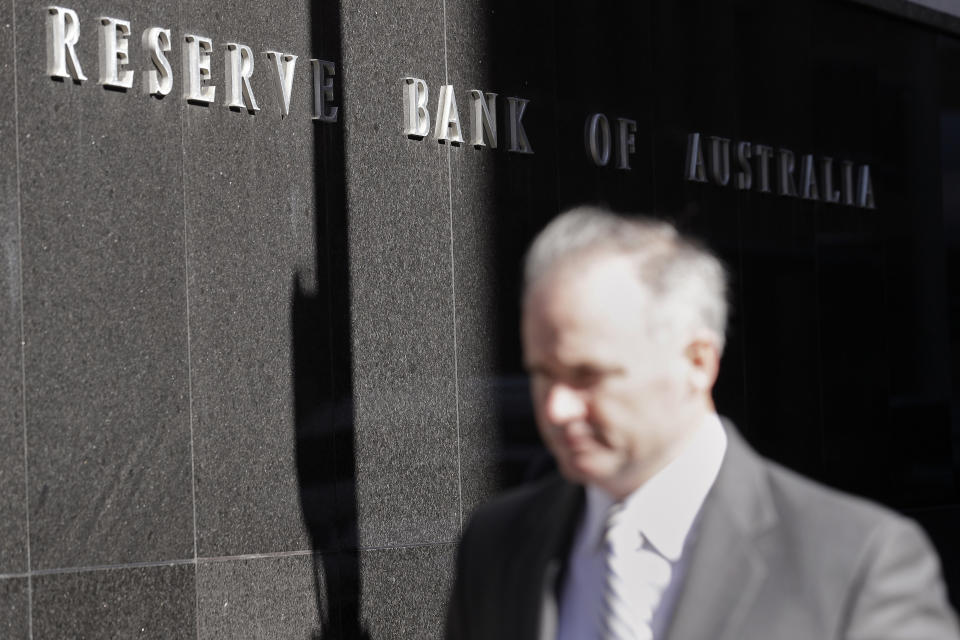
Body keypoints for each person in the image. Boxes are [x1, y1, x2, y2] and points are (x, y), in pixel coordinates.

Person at [445, 206, 960, 640]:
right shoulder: (496, 546)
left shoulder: (857, 561)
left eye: (588, 375)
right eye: (541, 375)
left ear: (697, 362)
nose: (557, 408)